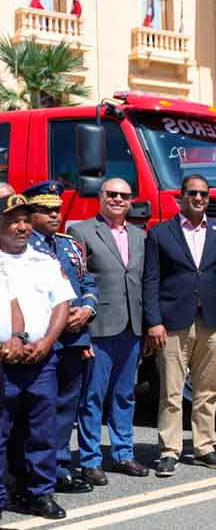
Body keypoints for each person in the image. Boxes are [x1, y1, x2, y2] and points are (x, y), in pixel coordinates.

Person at [143, 175, 216, 477]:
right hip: (172, 323)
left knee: (207, 389)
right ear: (181, 197)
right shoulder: (160, 233)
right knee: (171, 392)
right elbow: (151, 280)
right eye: (193, 193)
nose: (199, 198)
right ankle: (169, 451)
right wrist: (154, 321)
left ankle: (204, 447)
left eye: (204, 194)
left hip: (213, 320)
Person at [68, 178, 149, 485]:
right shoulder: (82, 231)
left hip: (132, 327)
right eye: (111, 194)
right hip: (99, 328)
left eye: (124, 195)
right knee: (92, 397)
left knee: (125, 395)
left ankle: (124, 454)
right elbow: (77, 283)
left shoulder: (141, 236)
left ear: (131, 201)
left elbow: (143, 281)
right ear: (100, 197)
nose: (117, 199)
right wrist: (82, 335)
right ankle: (90, 460)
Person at [20, 181, 98, 495]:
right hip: (43, 338)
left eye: (57, 209)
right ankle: (29, 470)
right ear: (30, 213)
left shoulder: (68, 244)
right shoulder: (24, 246)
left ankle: (60, 466)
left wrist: (88, 310)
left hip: (74, 339)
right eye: (46, 210)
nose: (54, 215)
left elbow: (88, 281)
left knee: (66, 407)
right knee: (37, 408)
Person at [0, 194, 73, 519]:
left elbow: (61, 304)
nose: (21, 227)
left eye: (26, 220)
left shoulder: (45, 260)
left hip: (41, 360)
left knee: (42, 431)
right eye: (13, 221)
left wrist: (46, 343)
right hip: (3, 360)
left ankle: (40, 493)